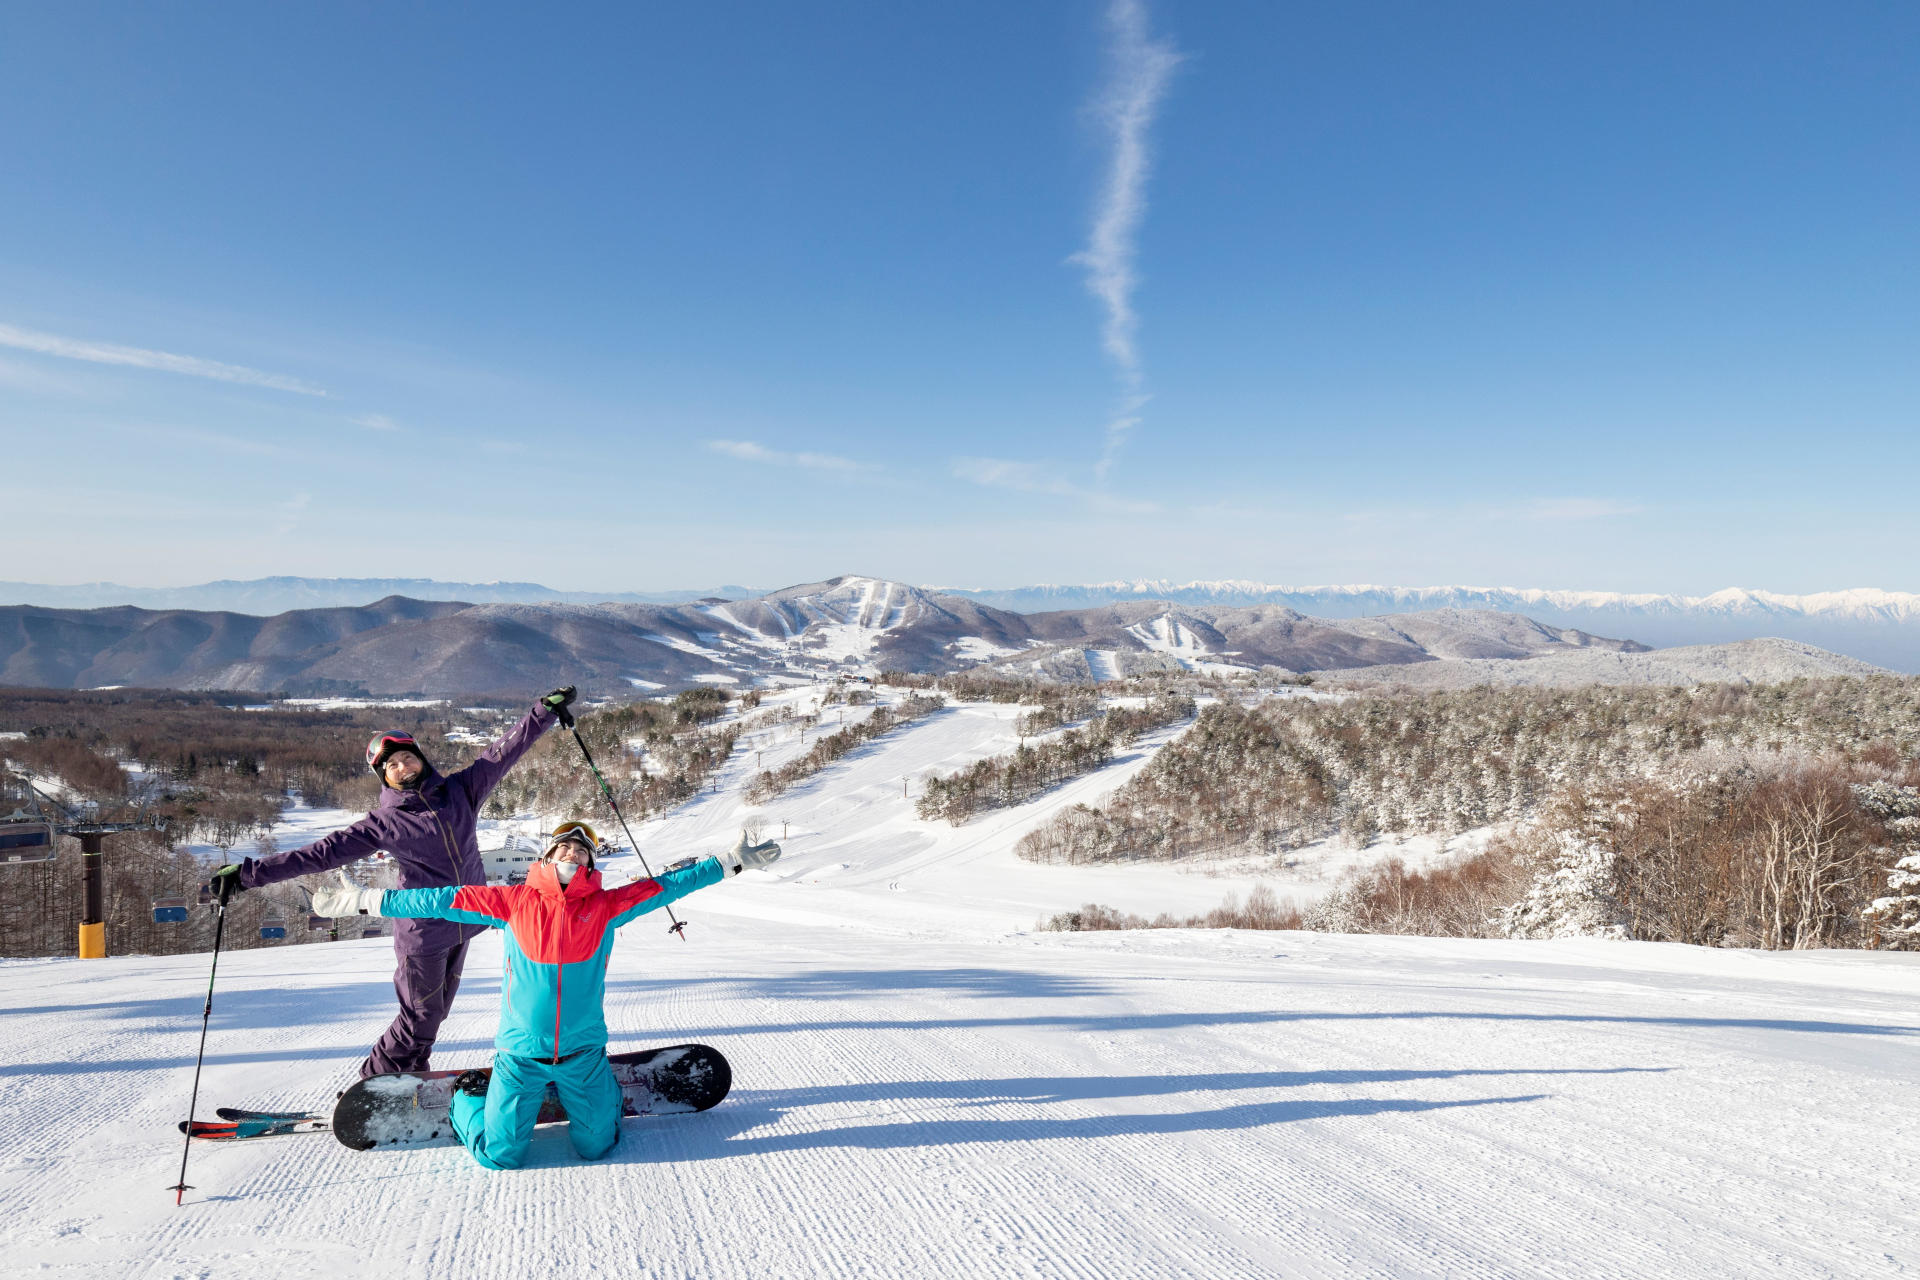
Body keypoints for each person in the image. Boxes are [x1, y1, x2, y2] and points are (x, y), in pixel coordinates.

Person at [311, 821, 781, 1170]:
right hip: (520, 1055)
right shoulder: (512, 902)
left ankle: (598, 1098)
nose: (573, 852)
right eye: (565, 846)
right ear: (547, 856)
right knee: (501, 1156)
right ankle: (468, 1099)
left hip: (583, 1053)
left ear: (591, 864)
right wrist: (367, 900)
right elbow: (438, 899)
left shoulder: (606, 907)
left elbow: (667, 886)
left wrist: (730, 861)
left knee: (596, 1146)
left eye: (583, 849)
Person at [210, 687, 579, 1079]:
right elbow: (318, 853)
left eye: (407, 757)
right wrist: (249, 875)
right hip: (423, 933)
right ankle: (373, 1084)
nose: (403, 767)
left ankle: (410, 1077)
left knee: (434, 1016)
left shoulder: (460, 792)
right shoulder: (384, 824)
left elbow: (502, 754)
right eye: (393, 766)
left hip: (466, 924)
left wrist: (543, 712)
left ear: (420, 758)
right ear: (383, 776)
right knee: (419, 1017)